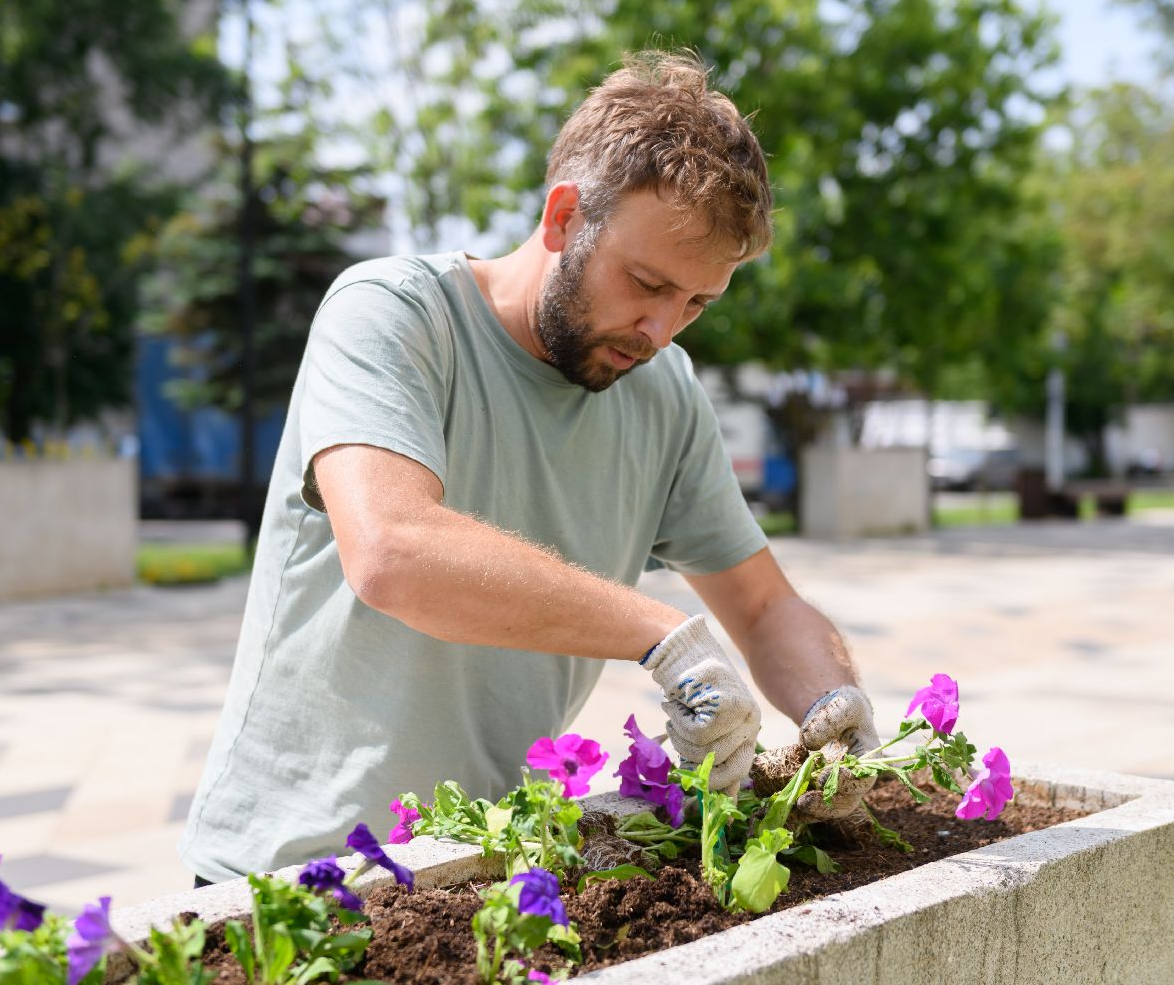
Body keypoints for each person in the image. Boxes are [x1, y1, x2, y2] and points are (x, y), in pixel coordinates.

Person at [179, 50, 879, 884]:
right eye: (646, 282)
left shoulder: (664, 392)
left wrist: (834, 707)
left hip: (488, 871)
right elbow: (394, 551)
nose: (661, 329)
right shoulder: (394, 315)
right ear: (561, 218)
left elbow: (763, 607)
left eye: (696, 304)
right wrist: (666, 642)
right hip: (292, 878)